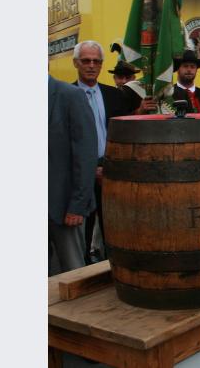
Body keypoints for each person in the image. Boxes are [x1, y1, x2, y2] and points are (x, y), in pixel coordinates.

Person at [71, 40, 130, 263]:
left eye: (96, 61)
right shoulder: (66, 95)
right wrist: (90, 169)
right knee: (83, 236)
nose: (91, 65)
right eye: (86, 61)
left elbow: (123, 135)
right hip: (81, 177)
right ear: (76, 63)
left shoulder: (114, 95)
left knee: (114, 230)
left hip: (111, 172)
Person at [48, 75, 98, 273]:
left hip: (64, 208)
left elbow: (85, 155)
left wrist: (78, 205)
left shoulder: (70, 95)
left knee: (73, 274)